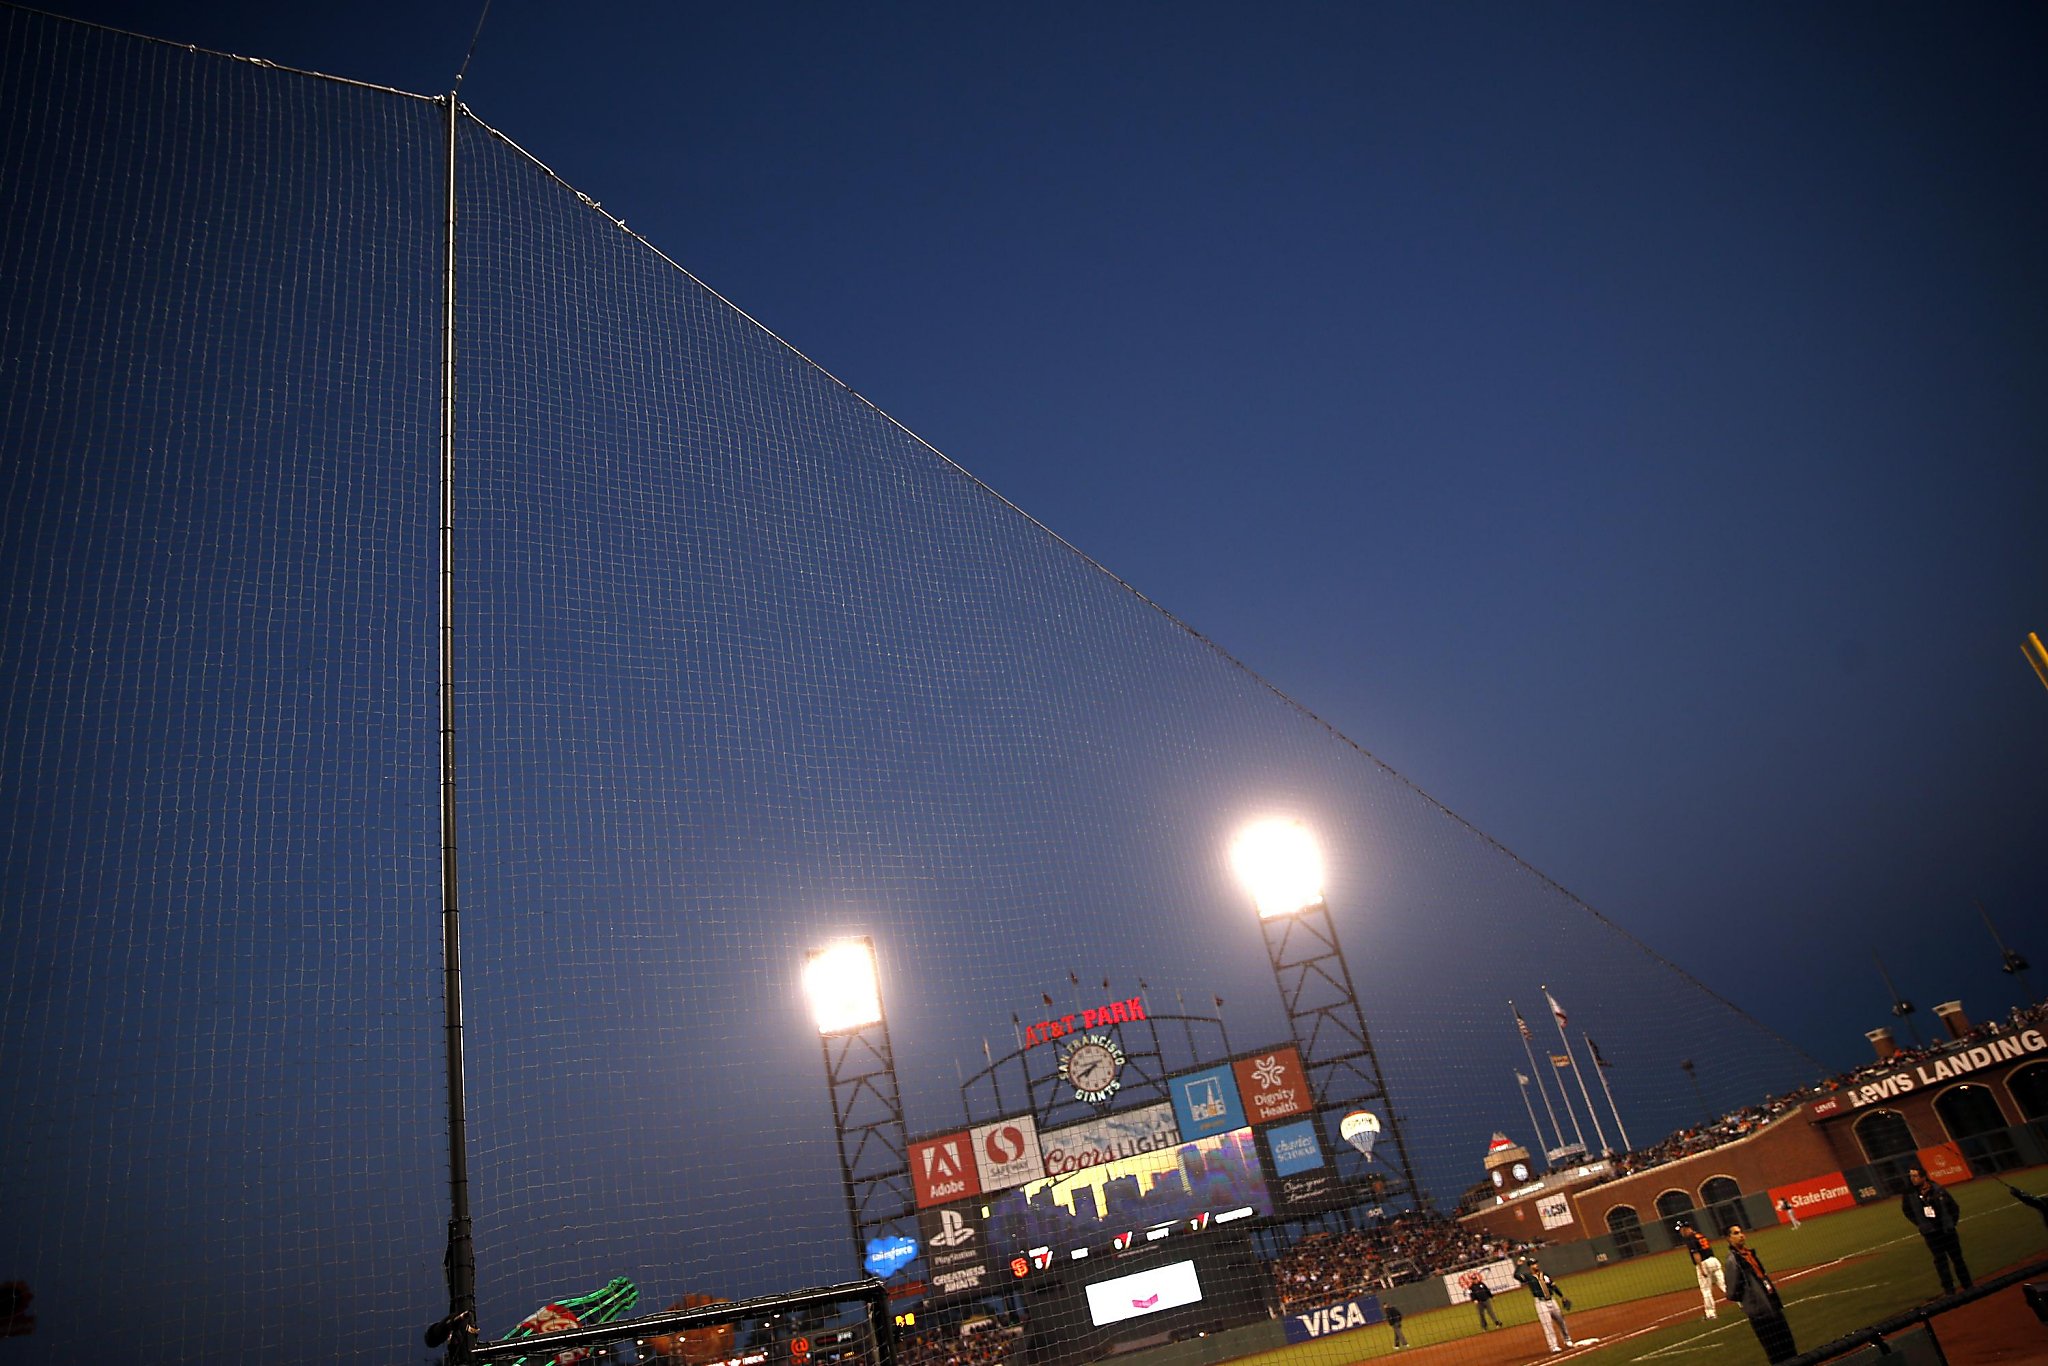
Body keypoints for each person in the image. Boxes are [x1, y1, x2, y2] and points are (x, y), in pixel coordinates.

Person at [1722, 1225, 1796, 1363]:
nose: (1741, 1235)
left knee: (1787, 1342)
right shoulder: (1733, 1260)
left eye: (1741, 1232)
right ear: (1729, 1238)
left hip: (1771, 1303)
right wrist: (1751, 1297)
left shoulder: (1750, 1253)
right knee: (1774, 1349)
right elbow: (1732, 1292)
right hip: (1758, 1312)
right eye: (1736, 1233)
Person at [1900, 1166, 1972, 1295]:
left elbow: (1953, 1206)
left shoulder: (1937, 1189)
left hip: (1947, 1230)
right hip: (1931, 1233)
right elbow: (1907, 1211)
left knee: (1957, 1258)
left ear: (1923, 1177)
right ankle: (1949, 1289)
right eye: (1911, 1176)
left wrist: (1951, 1223)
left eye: (1915, 1176)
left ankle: (1967, 1285)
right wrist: (1921, 1224)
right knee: (1940, 1261)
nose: (1912, 1179)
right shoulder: (1909, 1194)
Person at [1513, 1255, 1573, 1354]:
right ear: (1530, 1266)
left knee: (1561, 1321)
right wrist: (1519, 1265)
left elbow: (1553, 1286)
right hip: (1541, 1303)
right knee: (1548, 1325)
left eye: (1536, 1263)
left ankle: (1567, 1339)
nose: (1536, 1265)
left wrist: (1562, 1296)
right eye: (1533, 1264)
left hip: (1552, 1300)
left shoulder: (1544, 1274)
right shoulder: (1528, 1277)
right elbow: (1516, 1276)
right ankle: (1553, 1346)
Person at [1675, 1220, 1725, 1320]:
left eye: (1681, 1230)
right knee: (1724, 1285)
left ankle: (1710, 1314)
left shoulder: (1690, 1238)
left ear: (1685, 1229)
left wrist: (1701, 1268)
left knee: (1706, 1290)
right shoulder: (1699, 1235)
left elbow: (1696, 1253)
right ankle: (1742, 1303)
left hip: (1704, 1263)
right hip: (1714, 1260)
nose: (1681, 1232)